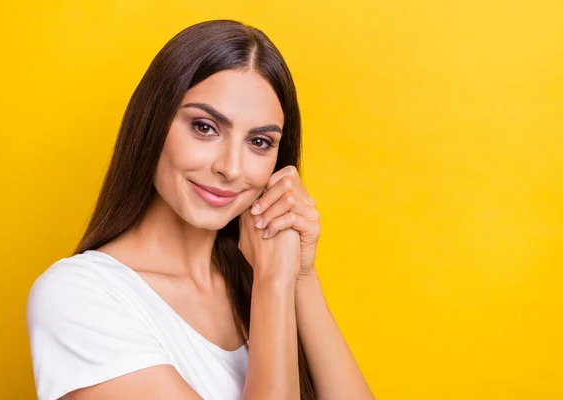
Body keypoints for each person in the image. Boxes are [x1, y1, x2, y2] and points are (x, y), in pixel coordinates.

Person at [26, 19, 374, 400]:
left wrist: (299, 276)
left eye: (259, 141)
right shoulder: (79, 296)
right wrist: (274, 285)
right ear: (153, 123)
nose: (231, 167)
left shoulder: (255, 280)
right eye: (205, 127)